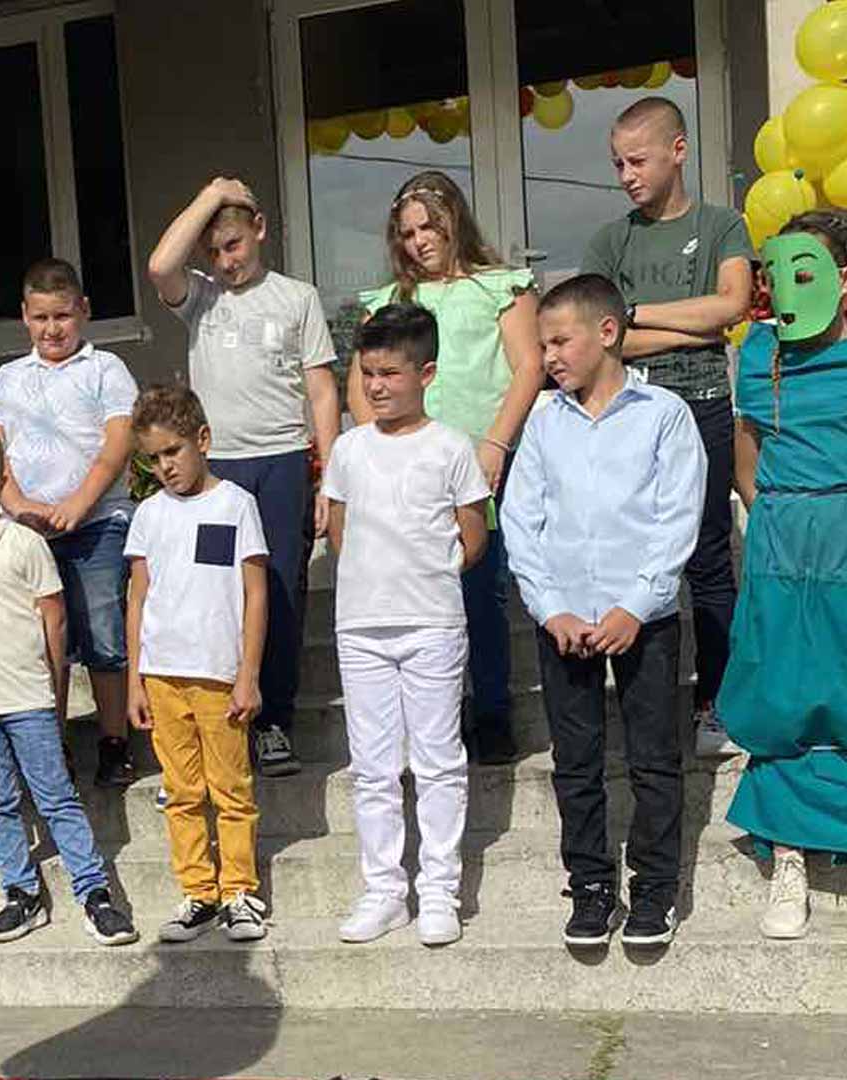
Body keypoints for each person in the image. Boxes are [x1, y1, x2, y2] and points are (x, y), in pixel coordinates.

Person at [720, 213, 847, 943]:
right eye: (774, 274)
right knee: (779, 694)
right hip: (780, 547)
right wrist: (786, 530)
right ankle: (788, 857)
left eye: (802, 272)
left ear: (843, 280)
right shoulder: (759, 357)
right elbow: (747, 469)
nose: (784, 288)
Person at [503, 274, 707, 949]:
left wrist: (636, 606)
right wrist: (549, 608)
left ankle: (654, 886)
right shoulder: (543, 422)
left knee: (653, 758)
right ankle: (590, 884)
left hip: (642, 619)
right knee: (576, 760)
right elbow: (521, 521)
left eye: (561, 342)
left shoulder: (664, 415)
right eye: (543, 345)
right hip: (564, 621)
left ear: (608, 333)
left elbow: (677, 518)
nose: (549, 357)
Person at [146, 176, 342, 778]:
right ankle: (220, 720)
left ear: (259, 231)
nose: (225, 261)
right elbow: (159, 266)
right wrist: (210, 196)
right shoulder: (201, 297)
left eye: (233, 245)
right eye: (214, 252)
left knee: (278, 591)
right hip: (220, 473)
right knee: (218, 592)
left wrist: (329, 476)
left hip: (282, 464)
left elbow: (321, 390)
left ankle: (273, 719)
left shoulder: (297, 297)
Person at [580, 97, 755, 759]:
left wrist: (637, 312)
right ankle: (645, 713)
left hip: (704, 405)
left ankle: (717, 703)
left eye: (638, 161)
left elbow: (732, 306)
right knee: (634, 559)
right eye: (617, 164)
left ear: (678, 151)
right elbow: (601, 339)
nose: (626, 175)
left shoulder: (721, 225)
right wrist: (689, 323)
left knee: (708, 557)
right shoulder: (609, 240)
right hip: (629, 414)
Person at [354, 171, 543, 765]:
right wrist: (377, 453)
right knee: (421, 596)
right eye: (407, 233)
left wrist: (496, 445)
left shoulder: (500, 287)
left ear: (454, 221)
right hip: (410, 471)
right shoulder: (389, 302)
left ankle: (491, 711)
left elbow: (529, 367)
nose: (419, 242)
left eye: (428, 228)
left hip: (479, 464)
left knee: (480, 588)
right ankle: (433, 715)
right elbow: (362, 383)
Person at [0, 424, 140, 947]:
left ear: (2, 483)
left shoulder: (24, 544)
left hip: (28, 698)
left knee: (57, 798)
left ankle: (95, 893)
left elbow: (55, 623)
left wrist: (53, 694)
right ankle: (20, 893)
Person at [323, 304, 490, 947]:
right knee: (372, 766)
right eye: (368, 373)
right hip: (361, 626)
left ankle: (440, 889)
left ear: (426, 374)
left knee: (438, 760)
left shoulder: (450, 447)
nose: (376, 386)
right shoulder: (348, 449)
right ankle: (385, 890)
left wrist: (425, 575)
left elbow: (472, 536)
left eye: (390, 373)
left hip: (432, 624)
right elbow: (340, 531)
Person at [0, 258, 141, 788]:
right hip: (29, 532)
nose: (52, 329)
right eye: (42, 317)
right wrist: (18, 503)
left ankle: (114, 742)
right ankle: (54, 749)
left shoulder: (106, 369)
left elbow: (117, 444)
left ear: (84, 311)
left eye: (63, 316)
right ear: (25, 316)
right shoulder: (8, 379)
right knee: (46, 642)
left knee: (103, 631)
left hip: (97, 524)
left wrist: (80, 503)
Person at [122, 385, 271, 944]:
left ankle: (239, 891)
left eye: (173, 451)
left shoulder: (236, 504)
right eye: (153, 458)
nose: (165, 466)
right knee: (181, 792)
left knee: (230, 788)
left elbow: (255, 593)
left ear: (202, 440)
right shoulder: (148, 515)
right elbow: (138, 598)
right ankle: (198, 892)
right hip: (162, 674)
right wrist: (135, 679)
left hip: (218, 674)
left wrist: (248, 674)